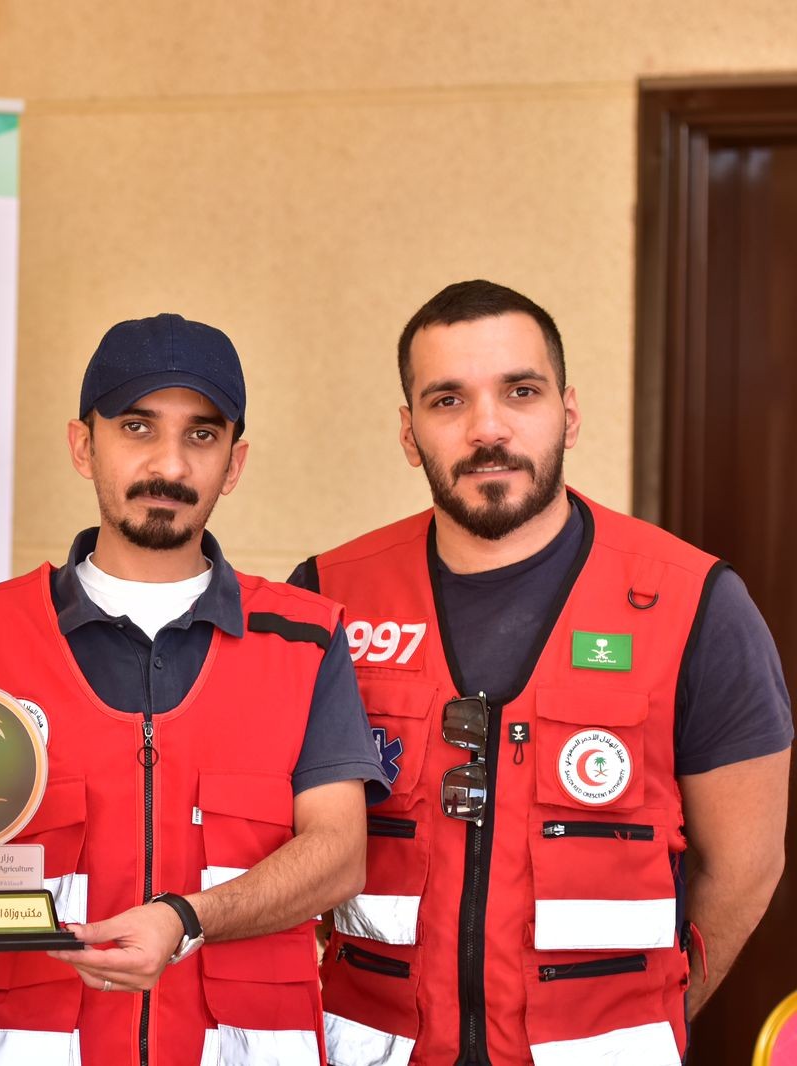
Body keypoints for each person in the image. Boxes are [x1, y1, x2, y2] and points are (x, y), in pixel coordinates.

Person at [295, 280, 793, 1065]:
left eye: (520, 392)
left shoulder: (695, 603)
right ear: (409, 433)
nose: (488, 428)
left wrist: (651, 1019)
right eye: (448, 400)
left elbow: (745, 868)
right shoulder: (328, 598)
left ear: (570, 413)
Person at [0, 313, 389, 1066]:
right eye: (137, 427)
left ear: (233, 464)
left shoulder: (304, 639)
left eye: (201, 435)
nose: (169, 463)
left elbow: (339, 855)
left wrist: (187, 919)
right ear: (83, 445)